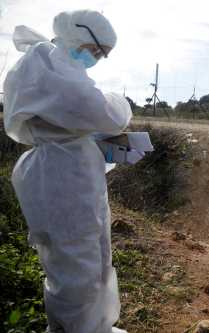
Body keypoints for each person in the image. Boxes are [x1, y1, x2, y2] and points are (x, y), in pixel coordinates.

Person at [3, 10, 131, 333]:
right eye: (96, 51)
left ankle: (95, 325)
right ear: (78, 35)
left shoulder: (61, 66)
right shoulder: (45, 61)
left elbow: (75, 118)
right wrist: (120, 104)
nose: (97, 59)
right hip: (62, 177)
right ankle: (74, 328)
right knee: (74, 265)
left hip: (73, 172)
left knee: (95, 255)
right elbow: (103, 112)